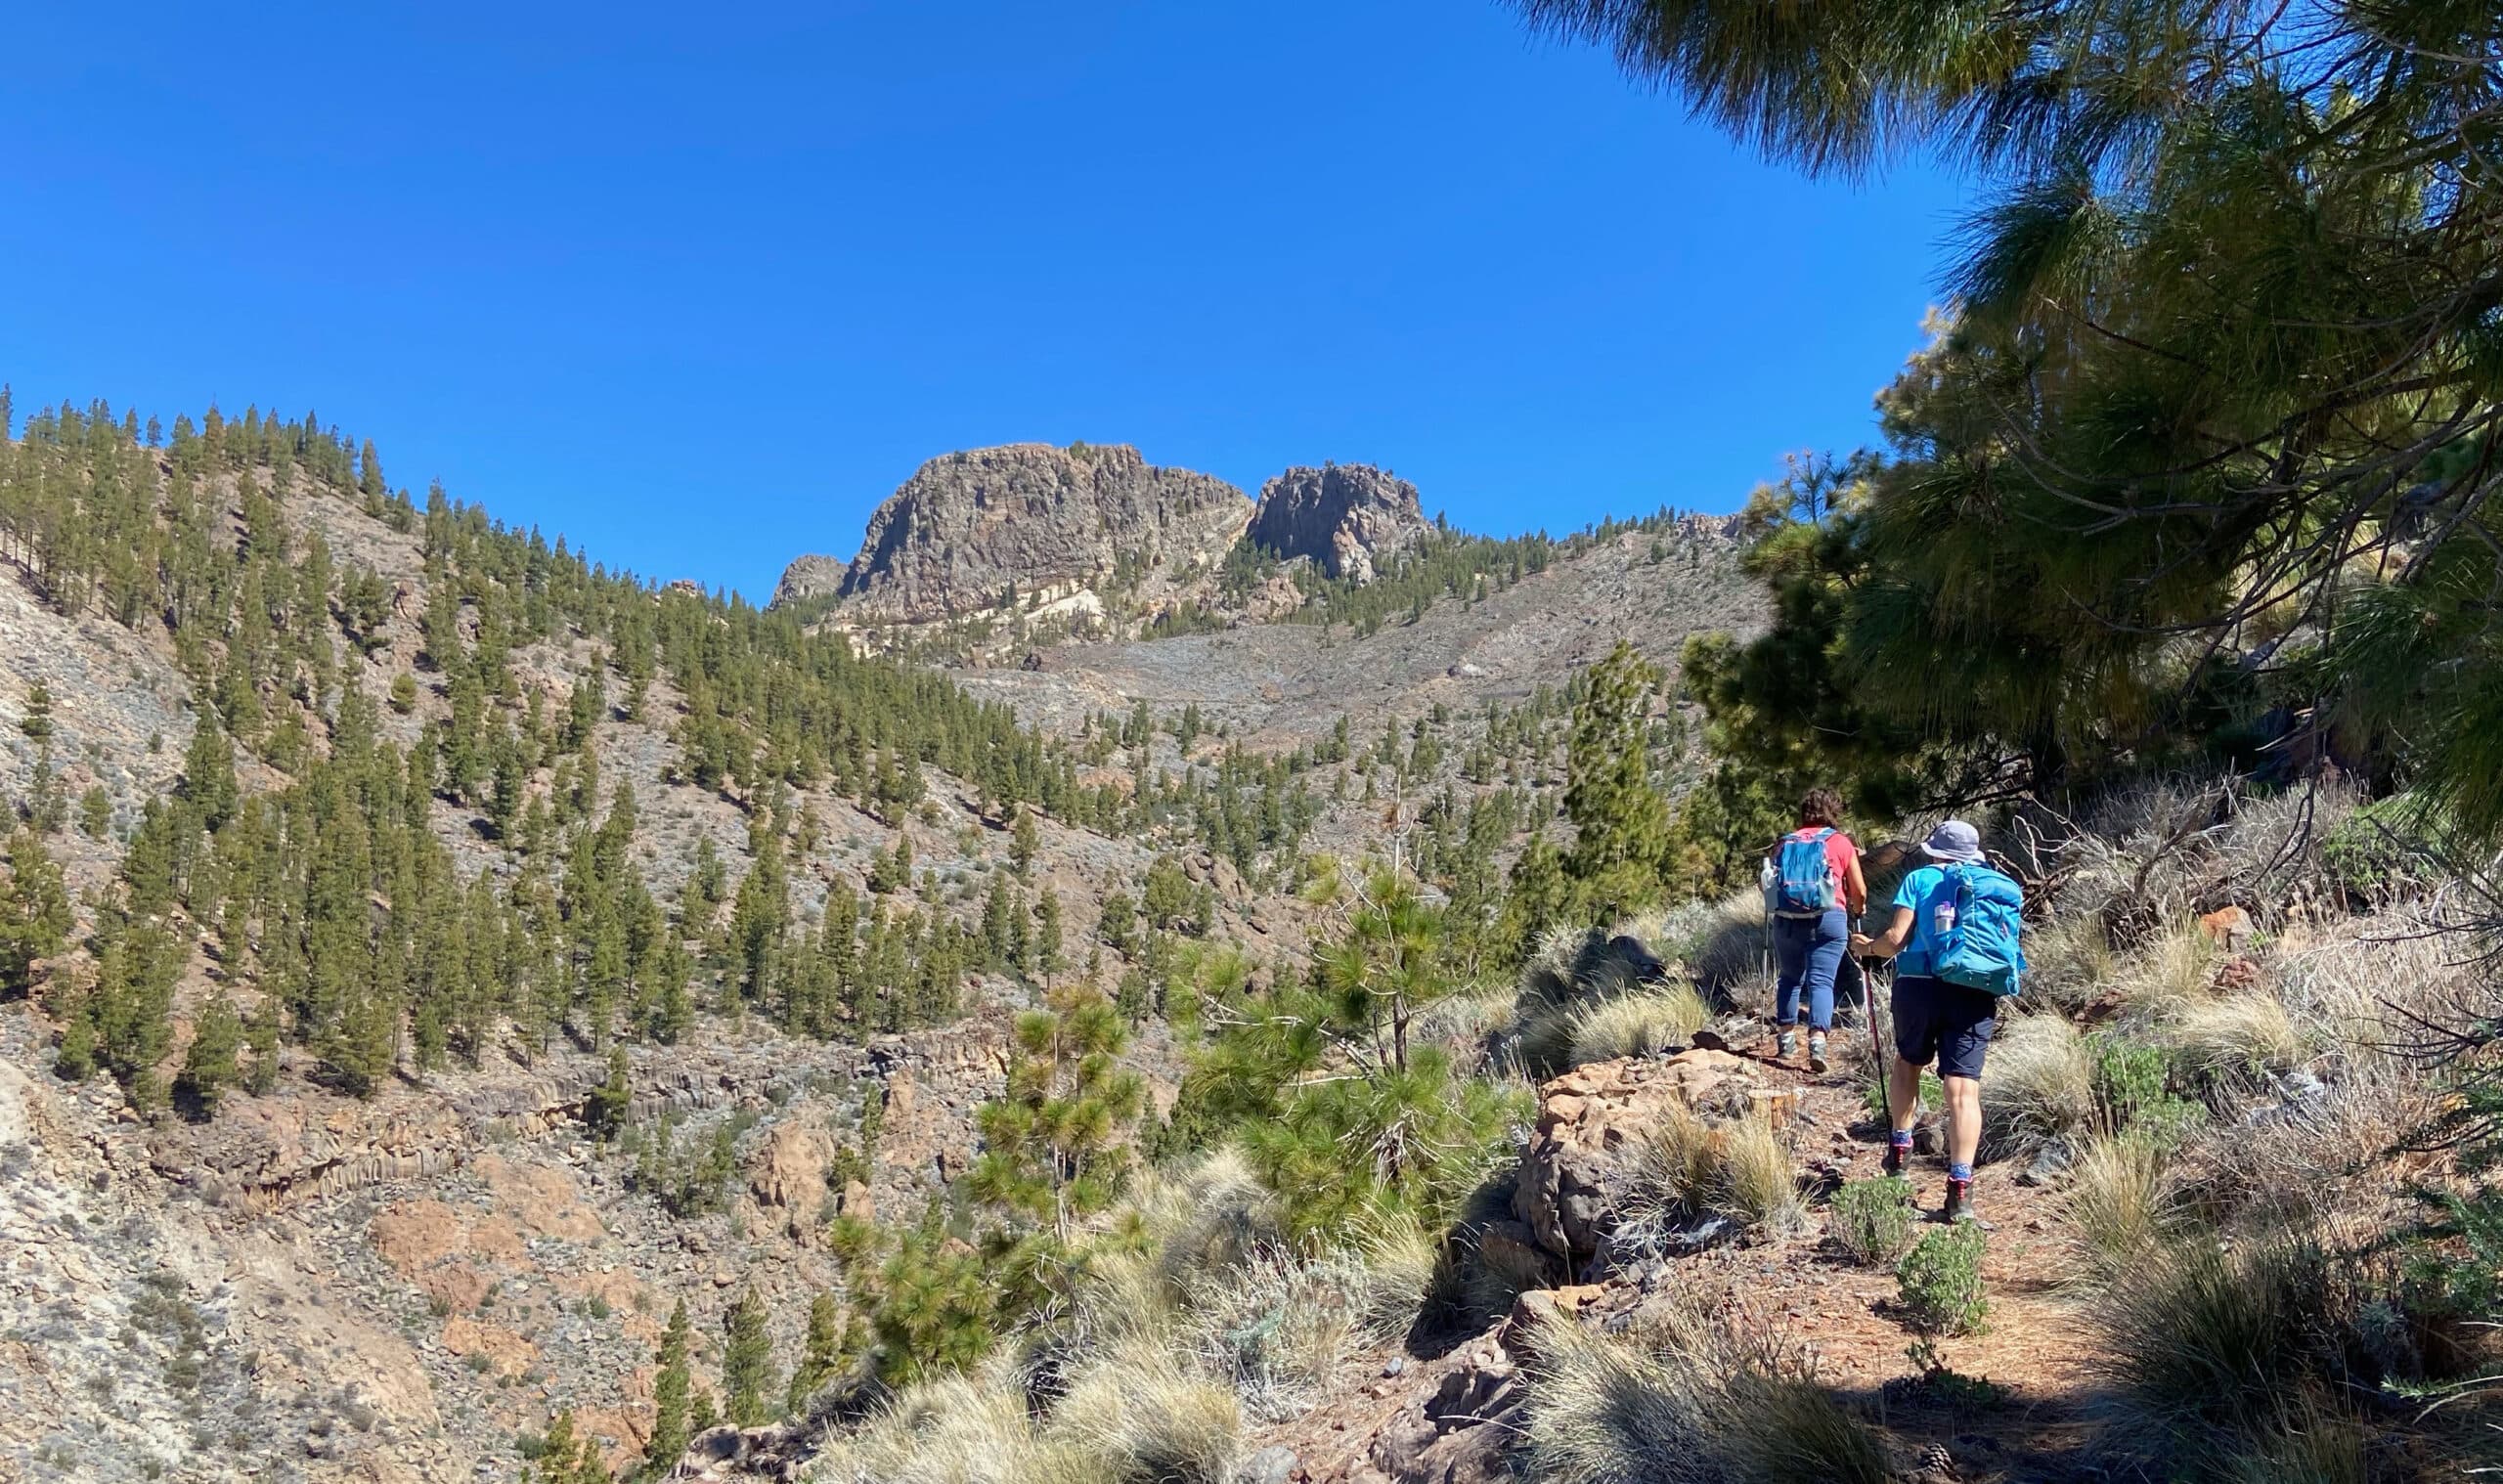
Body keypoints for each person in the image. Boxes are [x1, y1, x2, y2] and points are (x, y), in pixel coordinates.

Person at [1852, 819, 2003, 1224]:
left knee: (1908, 1063)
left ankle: (1900, 1159)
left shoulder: (1919, 879)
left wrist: (1869, 948)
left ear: (1935, 850)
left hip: (1919, 986)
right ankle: (1960, 1192)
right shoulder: (1990, 884)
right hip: (1975, 989)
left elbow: (1897, 939)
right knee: (1963, 1090)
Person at [1767, 789, 1866, 1073]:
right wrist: (1858, 909)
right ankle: (1818, 1043)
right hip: (1828, 917)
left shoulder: (1785, 843)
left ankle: (1785, 1040)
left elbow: (1769, 884)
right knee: (1822, 982)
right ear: (1834, 812)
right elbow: (1858, 889)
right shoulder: (1840, 843)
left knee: (1790, 978)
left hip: (1787, 918)